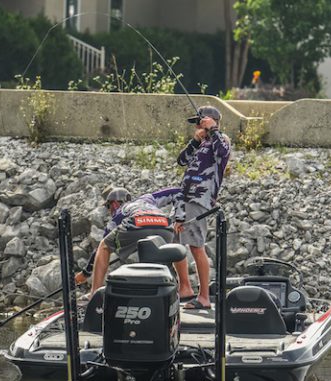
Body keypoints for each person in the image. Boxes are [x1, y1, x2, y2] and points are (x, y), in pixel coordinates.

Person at [75, 187, 182, 300]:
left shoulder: (119, 213)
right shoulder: (147, 199)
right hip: (164, 223)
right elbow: (177, 192)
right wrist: (179, 217)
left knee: (104, 246)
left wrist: (85, 273)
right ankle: (184, 288)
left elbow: (99, 248)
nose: (109, 211)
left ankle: (94, 293)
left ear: (114, 203)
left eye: (108, 206)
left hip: (137, 223)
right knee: (175, 246)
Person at [173, 106, 231, 309]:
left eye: (199, 122)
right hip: (184, 199)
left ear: (209, 121)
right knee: (176, 244)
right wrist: (195, 141)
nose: (196, 126)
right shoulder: (201, 143)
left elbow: (223, 153)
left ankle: (204, 297)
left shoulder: (220, 140)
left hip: (199, 200)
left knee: (197, 246)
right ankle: (185, 288)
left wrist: (213, 129)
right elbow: (181, 161)